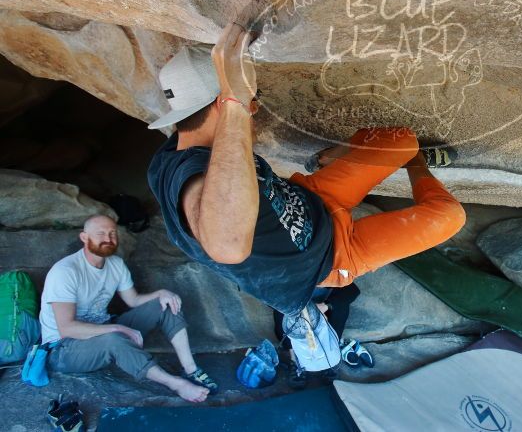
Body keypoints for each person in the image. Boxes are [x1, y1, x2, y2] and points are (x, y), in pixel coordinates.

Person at [146, 23, 465, 358]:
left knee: (400, 140)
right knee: (449, 216)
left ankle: (360, 157)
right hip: (333, 255)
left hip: (311, 198)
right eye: (252, 100)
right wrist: (235, 103)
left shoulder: (172, 153)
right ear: (220, 105)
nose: (254, 107)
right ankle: (417, 163)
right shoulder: (192, 180)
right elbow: (225, 244)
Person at [40, 215, 217, 402]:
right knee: (113, 338)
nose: (108, 239)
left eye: (112, 233)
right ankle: (175, 384)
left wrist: (161, 294)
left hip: (104, 331)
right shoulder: (66, 271)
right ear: (84, 237)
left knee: (165, 305)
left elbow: (133, 300)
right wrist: (118, 328)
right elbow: (66, 328)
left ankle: (190, 369)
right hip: (63, 349)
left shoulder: (115, 264)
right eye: (101, 234)